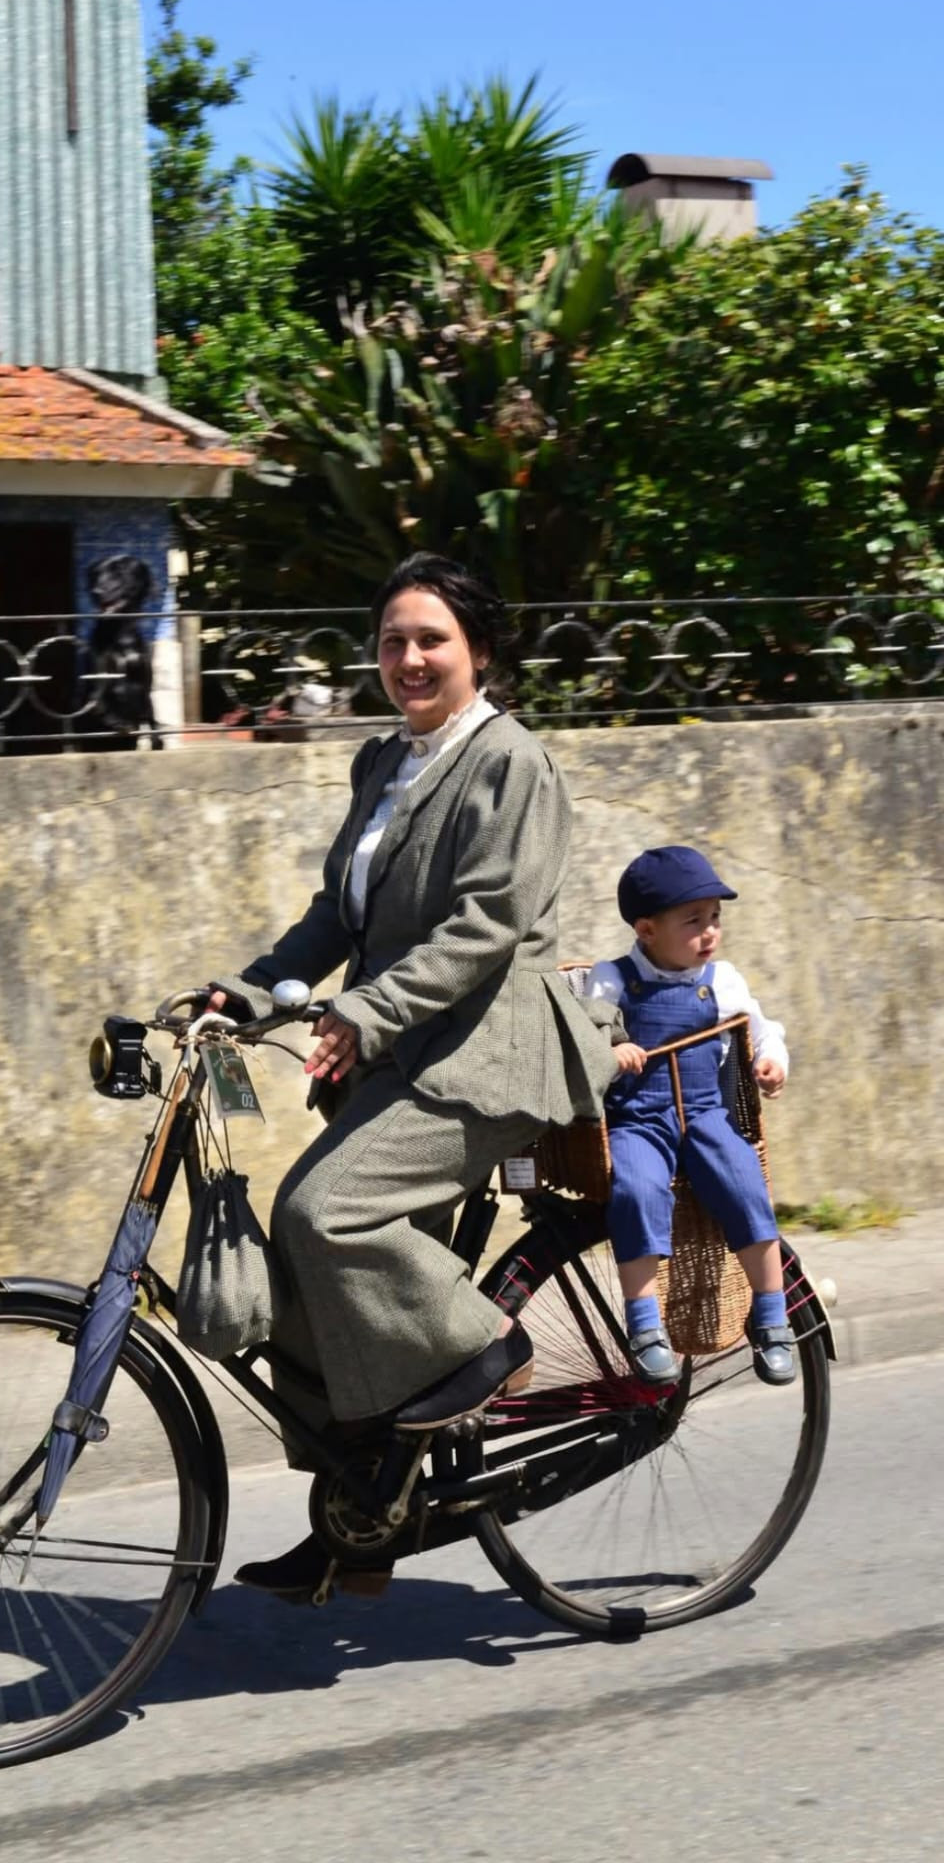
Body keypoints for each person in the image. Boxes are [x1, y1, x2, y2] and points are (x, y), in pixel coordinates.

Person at [207, 552, 618, 1604]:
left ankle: (483, 1349)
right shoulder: (383, 763)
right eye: (393, 640)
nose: (409, 658)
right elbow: (337, 916)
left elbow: (485, 925)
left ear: (477, 650)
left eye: (431, 638)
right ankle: (361, 1515)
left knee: (324, 1211)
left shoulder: (511, 762)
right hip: (407, 1054)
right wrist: (246, 993)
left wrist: (362, 1010)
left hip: (491, 1052)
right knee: (306, 1269)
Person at [585, 845, 794, 1389]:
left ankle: (771, 1315)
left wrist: (770, 1062)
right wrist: (609, 1051)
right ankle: (645, 1324)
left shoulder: (722, 980)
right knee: (636, 1190)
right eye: (694, 921)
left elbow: (762, 1030)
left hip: (704, 1113)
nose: (710, 932)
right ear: (647, 930)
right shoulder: (612, 979)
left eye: (715, 918)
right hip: (637, 1119)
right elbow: (585, 1033)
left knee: (745, 1181)